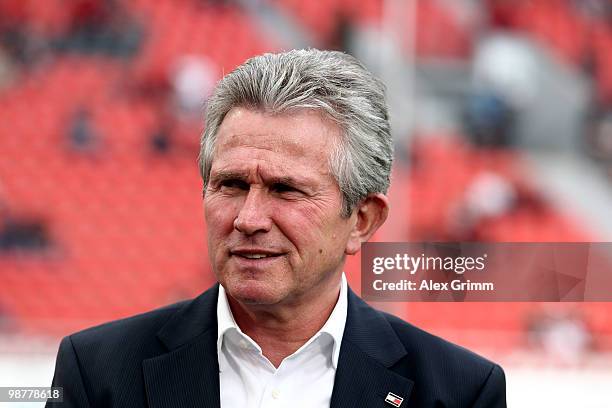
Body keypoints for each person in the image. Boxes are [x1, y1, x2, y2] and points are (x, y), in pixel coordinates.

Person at [47, 49, 506, 407]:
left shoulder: (458, 391)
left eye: (286, 190)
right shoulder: (97, 372)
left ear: (361, 220)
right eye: (230, 184)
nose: (248, 219)